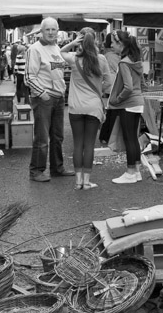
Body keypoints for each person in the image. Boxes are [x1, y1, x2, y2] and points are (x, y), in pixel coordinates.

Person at [61, 27, 113, 190]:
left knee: (78, 144)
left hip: (76, 107)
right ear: (96, 40)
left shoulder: (74, 58)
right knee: (89, 144)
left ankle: (77, 182)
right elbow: (108, 83)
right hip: (94, 107)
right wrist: (99, 88)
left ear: (80, 41)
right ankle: (86, 181)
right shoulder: (102, 59)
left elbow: (60, 51)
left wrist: (72, 43)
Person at [25, 17, 75, 182]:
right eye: (48, 29)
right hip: (44, 99)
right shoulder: (35, 49)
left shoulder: (56, 48)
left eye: (54, 29)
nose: (51, 32)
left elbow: (58, 71)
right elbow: (29, 77)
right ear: (41, 31)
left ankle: (57, 168)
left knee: (57, 136)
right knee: (42, 138)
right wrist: (42, 94)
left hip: (59, 98)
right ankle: (36, 171)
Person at [108, 30, 146, 185]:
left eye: (113, 43)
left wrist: (117, 99)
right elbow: (141, 83)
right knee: (133, 139)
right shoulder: (135, 60)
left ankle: (130, 173)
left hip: (128, 103)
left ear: (121, 44)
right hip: (138, 102)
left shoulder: (124, 62)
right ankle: (136, 172)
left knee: (129, 138)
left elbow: (128, 87)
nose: (111, 46)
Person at [98, 32, 121, 145]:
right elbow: (119, 69)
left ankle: (106, 136)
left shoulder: (108, 54)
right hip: (113, 86)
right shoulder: (112, 56)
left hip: (111, 87)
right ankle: (107, 136)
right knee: (112, 113)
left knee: (111, 112)